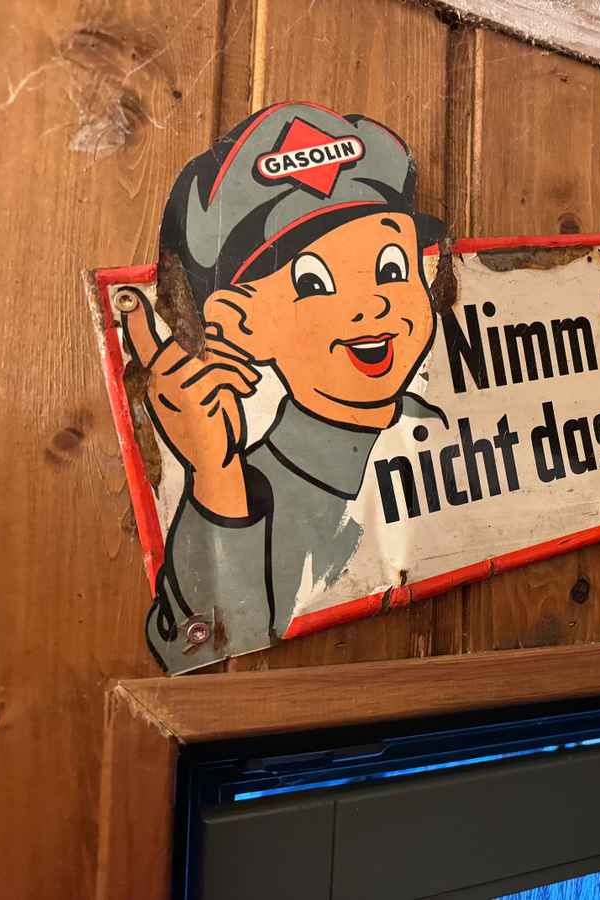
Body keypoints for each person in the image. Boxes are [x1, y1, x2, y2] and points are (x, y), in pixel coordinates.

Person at [126, 101, 447, 673]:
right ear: (238, 320)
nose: (372, 305)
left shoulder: (439, 420)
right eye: (315, 282)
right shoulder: (252, 493)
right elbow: (202, 644)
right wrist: (217, 478)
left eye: (391, 268)